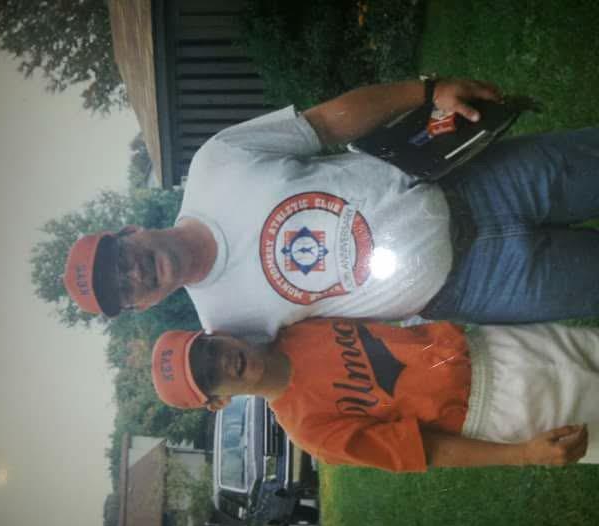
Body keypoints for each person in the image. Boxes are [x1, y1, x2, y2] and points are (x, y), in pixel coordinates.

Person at [64, 77, 599, 339]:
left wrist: (429, 90)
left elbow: (327, 123)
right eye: (123, 290)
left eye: (119, 259)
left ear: (130, 230)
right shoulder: (227, 329)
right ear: (140, 306)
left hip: (478, 182)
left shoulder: (214, 164)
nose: (131, 274)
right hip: (483, 284)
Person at [150, 319, 598, 472]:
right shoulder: (312, 432)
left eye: (209, 350)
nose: (222, 362)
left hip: (495, 344)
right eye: (209, 376)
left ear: (219, 335)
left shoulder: (298, 326)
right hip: (500, 408)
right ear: (218, 402)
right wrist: (521, 454)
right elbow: (427, 450)